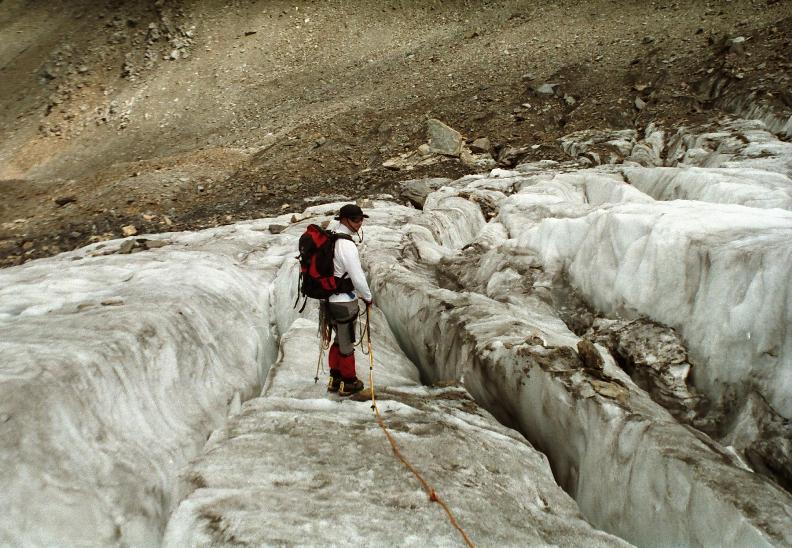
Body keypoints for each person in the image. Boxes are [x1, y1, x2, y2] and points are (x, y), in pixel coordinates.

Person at [324, 204, 373, 396]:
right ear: (343, 219)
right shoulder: (346, 244)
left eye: (361, 219)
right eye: (355, 219)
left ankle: (334, 379)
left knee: (339, 339)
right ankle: (349, 381)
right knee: (347, 343)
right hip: (344, 301)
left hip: (329, 300)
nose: (359, 223)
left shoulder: (331, 237)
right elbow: (357, 276)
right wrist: (368, 297)